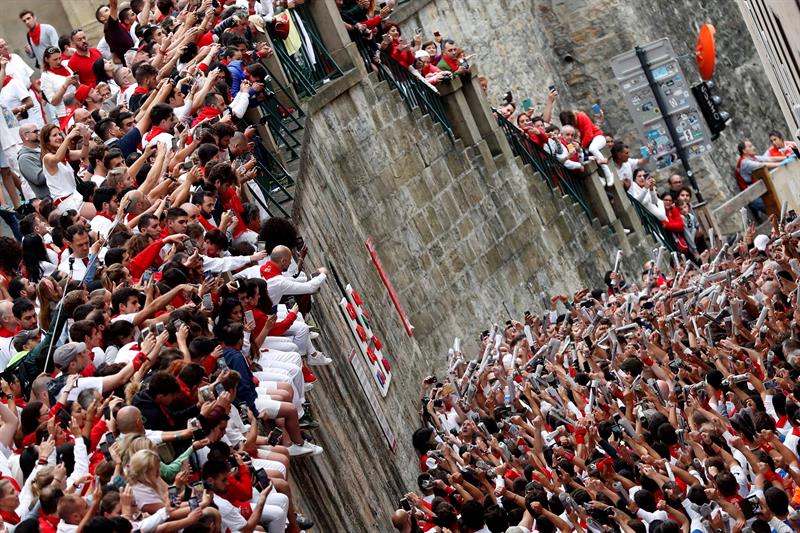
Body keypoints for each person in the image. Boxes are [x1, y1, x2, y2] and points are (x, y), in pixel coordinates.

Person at [559, 108, 613, 186]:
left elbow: (589, 135)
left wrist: (581, 147)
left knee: (593, 148)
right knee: (585, 158)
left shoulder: (581, 117)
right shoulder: (572, 129)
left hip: (597, 137)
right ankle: (600, 179)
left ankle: (608, 173)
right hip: (587, 144)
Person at [735, 139, 782, 220]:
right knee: (777, 214)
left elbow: (770, 159)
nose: (753, 147)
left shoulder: (752, 157)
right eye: (750, 146)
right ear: (744, 151)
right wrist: (782, 164)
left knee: (779, 211)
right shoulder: (745, 163)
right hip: (754, 196)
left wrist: (787, 157)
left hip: (761, 190)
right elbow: (763, 165)